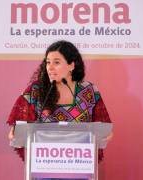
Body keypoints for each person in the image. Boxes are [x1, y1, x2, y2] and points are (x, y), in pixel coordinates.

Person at [7, 40, 112, 176]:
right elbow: (14, 133)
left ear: (71, 65)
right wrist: (16, 134)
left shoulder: (89, 91)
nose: (50, 67)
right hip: (44, 168)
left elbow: (106, 132)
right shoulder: (36, 90)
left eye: (56, 62)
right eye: (48, 62)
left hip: (79, 168)